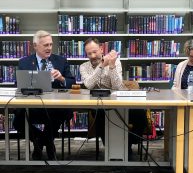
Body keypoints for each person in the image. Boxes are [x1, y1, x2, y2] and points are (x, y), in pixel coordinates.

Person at [13, 30, 76, 160]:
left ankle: (39, 144)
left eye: (51, 45)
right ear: (35, 46)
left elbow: (72, 82)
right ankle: (45, 141)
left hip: (55, 106)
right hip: (32, 106)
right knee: (18, 120)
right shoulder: (24, 62)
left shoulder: (60, 61)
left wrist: (62, 78)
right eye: (45, 45)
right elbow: (18, 84)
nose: (49, 48)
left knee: (64, 112)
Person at [79, 38, 147, 157]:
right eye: (89, 53)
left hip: (120, 102)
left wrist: (111, 66)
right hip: (99, 105)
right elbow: (89, 84)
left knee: (140, 115)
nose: (93, 56)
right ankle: (111, 148)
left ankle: (128, 143)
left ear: (101, 49)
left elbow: (117, 86)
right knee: (100, 117)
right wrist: (101, 66)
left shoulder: (115, 61)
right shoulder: (84, 67)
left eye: (95, 52)